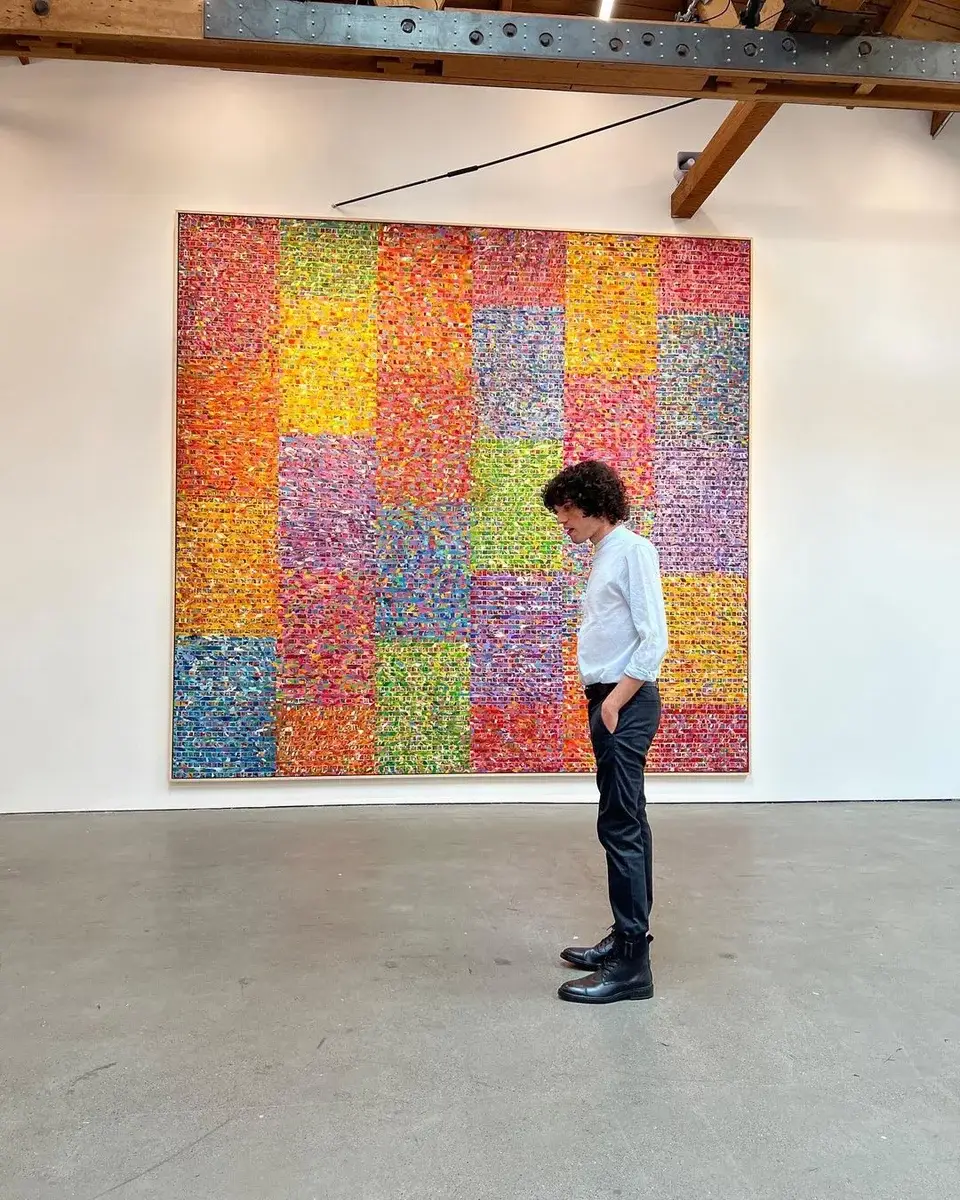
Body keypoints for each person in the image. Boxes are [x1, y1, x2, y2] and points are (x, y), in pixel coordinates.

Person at [541, 460, 669, 1005]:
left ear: (594, 504)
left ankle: (632, 967)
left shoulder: (633, 550)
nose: (562, 521)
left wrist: (614, 702)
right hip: (610, 698)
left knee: (620, 826)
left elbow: (653, 638)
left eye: (566, 510)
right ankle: (625, 939)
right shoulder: (606, 553)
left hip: (625, 701)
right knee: (626, 821)